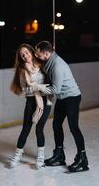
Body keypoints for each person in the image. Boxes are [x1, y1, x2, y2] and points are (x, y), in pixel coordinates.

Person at [30, 40, 89, 172]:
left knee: (74, 127)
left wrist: (38, 87)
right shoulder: (48, 62)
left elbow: (55, 90)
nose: (36, 55)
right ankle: (59, 155)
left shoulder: (57, 65)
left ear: (46, 53)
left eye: (38, 53)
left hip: (72, 97)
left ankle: (83, 159)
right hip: (63, 98)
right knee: (56, 124)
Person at [10, 43, 51, 169]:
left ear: (32, 52)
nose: (25, 56)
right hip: (31, 101)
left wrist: (38, 87)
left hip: (45, 101)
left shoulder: (42, 65)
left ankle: (40, 156)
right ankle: (17, 155)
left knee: (39, 129)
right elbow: (26, 89)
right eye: (22, 55)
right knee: (26, 129)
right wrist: (39, 87)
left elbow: (50, 82)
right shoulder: (22, 70)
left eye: (26, 52)